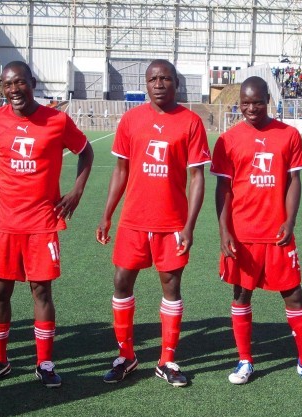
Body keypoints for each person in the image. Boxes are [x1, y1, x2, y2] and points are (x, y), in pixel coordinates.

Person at [0, 61, 94, 388]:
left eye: (19, 83)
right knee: (0, 291)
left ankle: (45, 362)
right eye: (8, 85)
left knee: (41, 290)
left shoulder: (57, 121)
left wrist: (77, 191)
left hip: (42, 222)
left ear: (32, 83)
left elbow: (86, 151)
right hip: (5, 223)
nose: (13, 90)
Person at [211, 76, 302, 386]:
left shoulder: (288, 135)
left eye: (257, 102)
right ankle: (245, 361)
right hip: (242, 233)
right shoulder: (227, 140)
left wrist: (290, 221)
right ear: (238, 102)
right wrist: (223, 229)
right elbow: (222, 187)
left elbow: (294, 181)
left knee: (293, 295)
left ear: (269, 100)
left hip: (277, 232)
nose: (251, 108)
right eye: (245, 102)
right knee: (241, 295)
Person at [96, 59, 209, 387]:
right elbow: (120, 171)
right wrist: (107, 214)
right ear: (146, 84)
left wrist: (189, 225)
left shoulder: (190, 122)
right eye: (153, 79)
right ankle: (126, 355)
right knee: (121, 282)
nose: (159, 84)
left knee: (171, 287)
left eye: (166, 78)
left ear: (176, 83)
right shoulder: (131, 119)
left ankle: (167, 360)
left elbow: (197, 177)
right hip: (133, 221)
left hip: (171, 223)